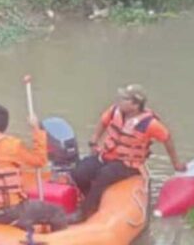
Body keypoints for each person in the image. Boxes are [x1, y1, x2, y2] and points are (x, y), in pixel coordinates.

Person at [71, 84, 186, 220]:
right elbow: (102, 122)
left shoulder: (150, 124)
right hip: (107, 155)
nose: (119, 101)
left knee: (104, 175)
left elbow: (167, 139)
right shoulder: (115, 111)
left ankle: (85, 212)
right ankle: (91, 198)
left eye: (124, 99)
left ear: (135, 105)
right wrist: (94, 141)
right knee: (80, 172)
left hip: (128, 164)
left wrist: (176, 163)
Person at [0, 103, 68, 231]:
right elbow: (40, 161)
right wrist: (36, 129)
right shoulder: (11, 145)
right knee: (57, 212)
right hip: (10, 212)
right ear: (5, 126)